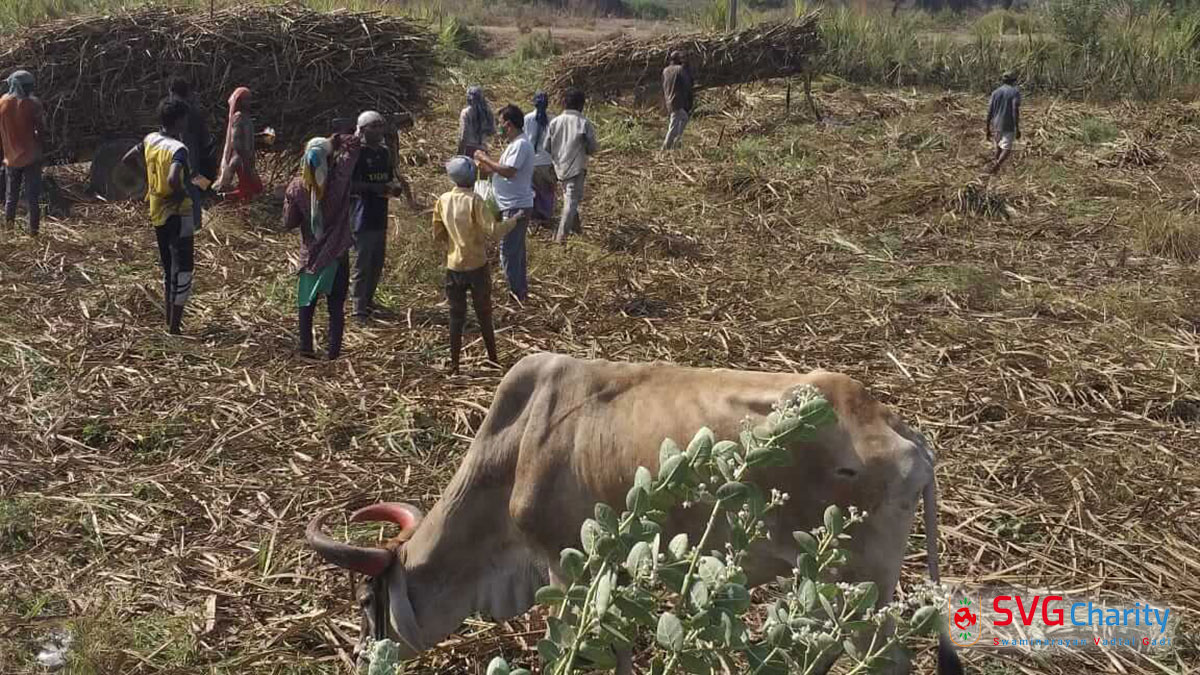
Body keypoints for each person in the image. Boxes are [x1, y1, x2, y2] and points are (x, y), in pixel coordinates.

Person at [432, 156, 518, 374]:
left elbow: (438, 233)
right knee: (484, 314)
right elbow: (494, 231)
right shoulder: (475, 200)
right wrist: (514, 220)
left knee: (455, 316)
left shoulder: (443, 200)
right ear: (472, 177)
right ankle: (493, 359)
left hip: (454, 266)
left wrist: (453, 244)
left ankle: (454, 364)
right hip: (477, 266)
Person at [282, 133, 363, 360]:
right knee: (335, 308)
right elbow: (354, 145)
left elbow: (288, 222)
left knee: (306, 305)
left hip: (310, 256)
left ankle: (306, 349)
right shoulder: (338, 181)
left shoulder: (297, 187)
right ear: (328, 159)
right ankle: (333, 353)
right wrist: (335, 140)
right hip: (337, 253)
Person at [121, 99, 195, 334]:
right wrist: (180, 192)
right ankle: (175, 326)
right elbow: (173, 178)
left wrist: (148, 181)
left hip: (157, 209)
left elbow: (127, 158)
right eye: (185, 118)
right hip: (178, 212)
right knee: (184, 268)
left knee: (168, 267)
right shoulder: (178, 149)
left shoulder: (150, 139)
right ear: (179, 120)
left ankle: (168, 319)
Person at [349, 110, 411, 322]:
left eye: (380, 125)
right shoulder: (356, 154)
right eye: (373, 126)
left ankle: (368, 300)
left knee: (376, 262)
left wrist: (393, 189)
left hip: (379, 214)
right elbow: (349, 185)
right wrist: (374, 188)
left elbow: (388, 178)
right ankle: (358, 308)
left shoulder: (384, 153)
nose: (378, 130)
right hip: (361, 216)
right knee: (362, 264)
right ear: (362, 130)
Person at [474, 104, 534, 305]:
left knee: (508, 252)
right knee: (515, 252)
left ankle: (516, 294)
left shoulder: (521, 145)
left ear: (508, 124)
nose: (498, 127)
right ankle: (520, 292)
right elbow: (501, 171)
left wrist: (486, 158)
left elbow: (509, 171)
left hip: (516, 206)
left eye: (500, 123)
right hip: (511, 204)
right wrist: (484, 165)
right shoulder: (514, 144)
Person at [545, 88, 598, 244]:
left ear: (565, 103)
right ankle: (560, 238)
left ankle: (576, 229)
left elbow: (546, 146)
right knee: (571, 202)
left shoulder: (555, 122)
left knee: (569, 198)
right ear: (581, 105)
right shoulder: (583, 123)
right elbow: (592, 148)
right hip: (575, 168)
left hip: (559, 167)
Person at [163, 76, 216, 228]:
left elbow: (189, 143)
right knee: (198, 184)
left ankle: (206, 198)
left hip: (195, 157)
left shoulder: (183, 113)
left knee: (195, 187)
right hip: (204, 153)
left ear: (171, 91)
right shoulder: (191, 109)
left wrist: (192, 170)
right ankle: (208, 192)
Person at [0, 70, 46, 235]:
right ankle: (33, 233)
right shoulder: (33, 104)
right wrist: (41, 146)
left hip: (11, 158)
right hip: (30, 157)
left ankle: (9, 231)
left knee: (11, 197)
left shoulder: (2, 102)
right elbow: (41, 130)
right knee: (32, 198)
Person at [213, 86, 264, 202]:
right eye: (246, 99)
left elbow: (245, 137)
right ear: (239, 101)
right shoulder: (239, 117)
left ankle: (228, 197)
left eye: (249, 99)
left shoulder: (245, 117)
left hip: (245, 158)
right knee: (253, 189)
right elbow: (236, 141)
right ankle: (223, 197)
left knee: (250, 188)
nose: (249, 102)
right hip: (240, 159)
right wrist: (245, 160)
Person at [524, 91, 556, 225]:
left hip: (531, 160)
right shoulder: (553, 119)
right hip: (547, 160)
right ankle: (545, 215)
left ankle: (533, 215)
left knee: (532, 189)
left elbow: (525, 138)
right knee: (546, 190)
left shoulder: (527, 118)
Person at [986, 72, 1021, 175]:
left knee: (998, 147)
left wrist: (987, 127)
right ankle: (995, 167)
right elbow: (1015, 109)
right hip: (1008, 124)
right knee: (1006, 149)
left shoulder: (995, 92)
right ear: (1013, 81)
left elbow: (990, 110)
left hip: (996, 123)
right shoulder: (1014, 92)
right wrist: (1017, 127)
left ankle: (993, 170)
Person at [661, 51, 694, 151]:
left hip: (669, 99)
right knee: (674, 123)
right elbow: (687, 84)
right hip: (677, 100)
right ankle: (666, 146)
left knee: (683, 118)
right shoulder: (680, 69)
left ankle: (676, 141)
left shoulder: (665, 70)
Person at [457, 85, 495, 157]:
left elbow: (463, 135)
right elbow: (492, 131)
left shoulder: (466, 112)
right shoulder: (487, 112)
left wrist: (459, 153)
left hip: (469, 149)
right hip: (482, 149)